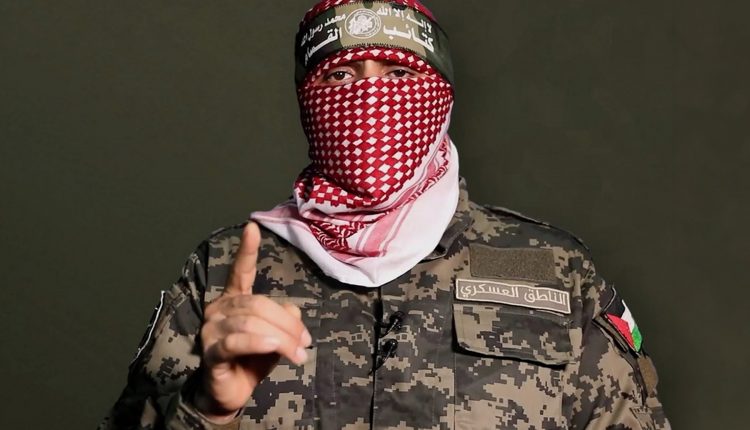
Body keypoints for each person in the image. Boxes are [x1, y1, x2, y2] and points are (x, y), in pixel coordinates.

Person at [100, 1, 671, 429]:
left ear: (441, 95)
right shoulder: (225, 271)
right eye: (340, 76)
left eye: (399, 75)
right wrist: (206, 408)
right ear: (307, 102)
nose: (370, 98)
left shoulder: (549, 268)